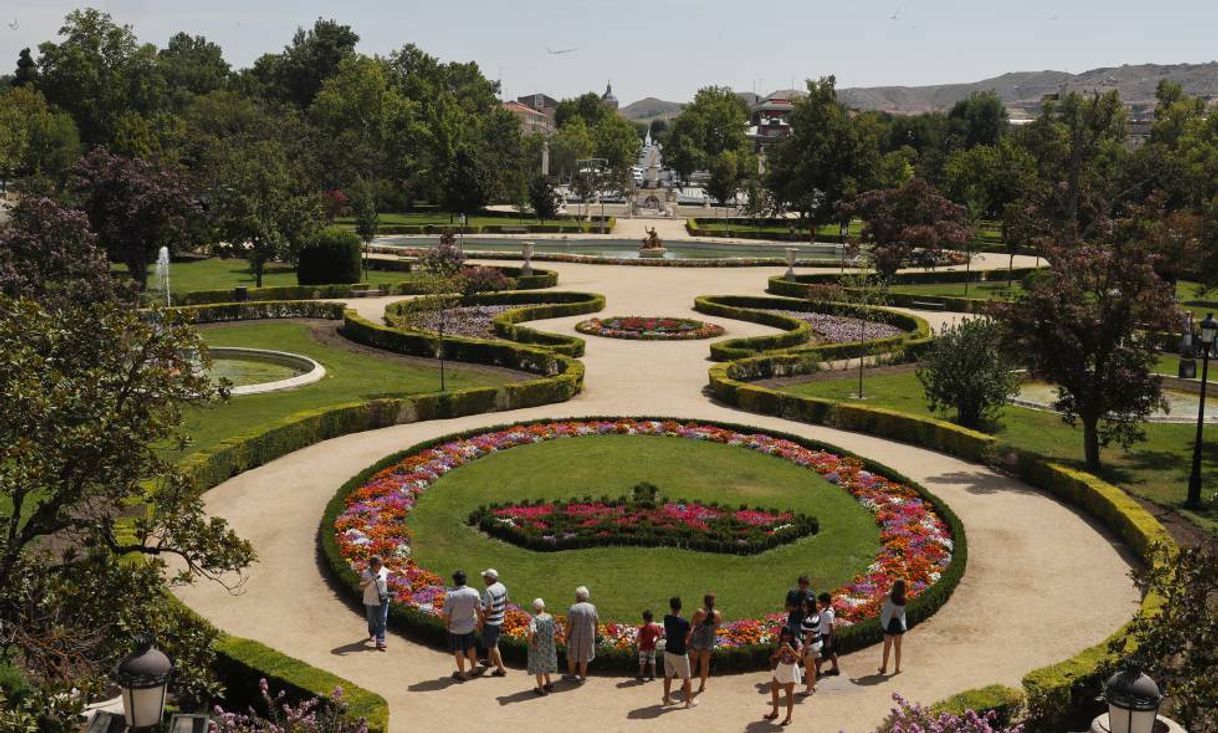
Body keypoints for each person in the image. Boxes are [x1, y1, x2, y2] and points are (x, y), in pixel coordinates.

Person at [442, 570, 482, 680]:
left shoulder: (450, 595)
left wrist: (446, 624)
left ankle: (462, 673)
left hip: (455, 628)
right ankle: (474, 669)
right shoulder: (474, 592)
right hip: (469, 627)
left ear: (454, 580)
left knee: (458, 650)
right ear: (465, 580)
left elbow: (446, 614)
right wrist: (480, 623)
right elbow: (479, 610)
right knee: (471, 647)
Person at [661, 596, 698, 709]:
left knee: (668, 676)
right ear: (681, 607)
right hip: (680, 653)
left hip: (668, 651)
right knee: (687, 678)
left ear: (671, 606)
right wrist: (692, 628)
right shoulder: (684, 622)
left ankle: (667, 698)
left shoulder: (666, 618)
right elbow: (687, 638)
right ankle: (688, 701)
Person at [764, 626, 803, 726]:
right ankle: (775, 712)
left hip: (791, 669)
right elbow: (776, 656)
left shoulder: (797, 642)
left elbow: (798, 658)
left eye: (789, 636)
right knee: (774, 688)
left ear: (792, 635)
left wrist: (790, 648)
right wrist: (781, 650)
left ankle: (788, 717)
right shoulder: (780, 641)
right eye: (785, 635)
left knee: (789, 693)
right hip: (781, 667)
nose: (787, 638)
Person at [687, 592, 721, 694]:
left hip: (697, 640)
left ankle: (686, 684)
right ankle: (702, 685)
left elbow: (691, 624)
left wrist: (689, 638)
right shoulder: (717, 614)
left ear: (704, 602)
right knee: (705, 664)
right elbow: (718, 627)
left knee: (693, 662)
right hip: (709, 640)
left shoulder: (699, 612)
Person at [564, 586, 598, 682]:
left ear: (578, 597)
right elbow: (596, 622)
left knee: (572, 656)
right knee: (584, 657)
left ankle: (571, 675)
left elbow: (569, 625)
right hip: (587, 636)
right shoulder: (592, 608)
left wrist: (566, 636)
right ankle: (582, 677)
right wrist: (595, 634)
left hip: (574, 636)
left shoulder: (573, 608)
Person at [478, 569, 508, 677]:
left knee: (493, 645)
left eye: (485, 577)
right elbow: (507, 601)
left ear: (490, 579)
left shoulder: (489, 591)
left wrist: (483, 620)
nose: (484, 579)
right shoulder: (502, 586)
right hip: (500, 620)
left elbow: (489, 608)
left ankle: (501, 669)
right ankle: (489, 662)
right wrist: (501, 612)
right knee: (493, 643)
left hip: (491, 623)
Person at [527, 598, 557, 695]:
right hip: (548, 646)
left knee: (539, 668)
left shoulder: (534, 619)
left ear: (534, 608)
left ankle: (541, 689)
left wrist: (530, 642)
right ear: (543, 606)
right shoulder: (549, 617)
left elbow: (531, 632)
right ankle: (548, 683)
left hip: (538, 647)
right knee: (545, 665)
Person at [359, 556, 389, 651]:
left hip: (383, 599)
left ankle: (380, 641)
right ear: (373, 565)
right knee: (371, 620)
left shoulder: (383, 569)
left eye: (382, 564)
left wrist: (399, 572)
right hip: (370, 600)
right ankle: (372, 633)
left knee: (382, 620)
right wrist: (372, 579)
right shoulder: (366, 573)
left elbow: (391, 573)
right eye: (379, 564)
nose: (381, 566)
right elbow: (361, 586)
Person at [879, 579, 908, 676]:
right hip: (898, 623)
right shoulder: (903, 598)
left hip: (889, 623)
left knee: (887, 647)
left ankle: (884, 667)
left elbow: (880, 600)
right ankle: (897, 668)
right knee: (898, 648)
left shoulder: (889, 596)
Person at [798, 596, 821, 695]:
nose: (802, 607)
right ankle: (813, 685)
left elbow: (809, 637)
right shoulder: (815, 615)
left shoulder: (809, 620)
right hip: (816, 645)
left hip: (810, 647)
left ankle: (809, 689)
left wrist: (803, 650)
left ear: (809, 607)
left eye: (804, 605)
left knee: (809, 669)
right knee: (812, 667)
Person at [815, 592, 840, 677]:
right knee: (832, 652)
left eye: (821, 602)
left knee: (820, 654)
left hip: (826, 636)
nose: (820, 603)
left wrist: (829, 640)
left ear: (825, 602)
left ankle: (816, 671)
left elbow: (831, 627)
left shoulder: (827, 614)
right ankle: (835, 668)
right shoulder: (829, 609)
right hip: (827, 636)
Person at [636, 609, 663, 681]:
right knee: (652, 660)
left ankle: (641, 673)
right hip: (652, 646)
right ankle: (653, 674)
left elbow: (638, 638)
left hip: (643, 646)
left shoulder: (642, 628)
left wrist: (639, 643)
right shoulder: (655, 627)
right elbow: (659, 636)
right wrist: (655, 641)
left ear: (644, 619)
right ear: (651, 618)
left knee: (642, 661)